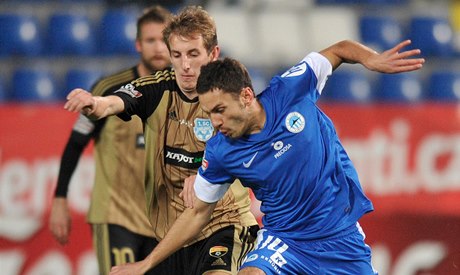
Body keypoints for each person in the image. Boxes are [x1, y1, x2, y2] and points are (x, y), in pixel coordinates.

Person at [106, 39, 425, 275]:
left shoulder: (291, 90)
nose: (215, 122)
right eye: (208, 113)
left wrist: (371, 60)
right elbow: (197, 212)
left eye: (220, 110)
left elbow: (338, 50)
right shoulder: (220, 151)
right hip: (284, 241)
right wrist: (147, 263)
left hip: (339, 237)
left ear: (246, 96)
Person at [63, 6, 259, 275]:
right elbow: (116, 102)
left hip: (224, 224)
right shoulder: (156, 88)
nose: (185, 65)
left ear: (213, 53)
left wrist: (207, 175)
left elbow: (251, 146)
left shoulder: (232, 93)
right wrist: (95, 103)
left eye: (193, 54)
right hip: (171, 236)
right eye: (176, 55)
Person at [49, 5, 172, 275]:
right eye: (151, 40)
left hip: (164, 221)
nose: (159, 47)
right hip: (116, 216)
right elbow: (76, 142)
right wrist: (59, 200)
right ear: (138, 44)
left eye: (164, 39)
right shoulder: (108, 89)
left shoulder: (181, 89)